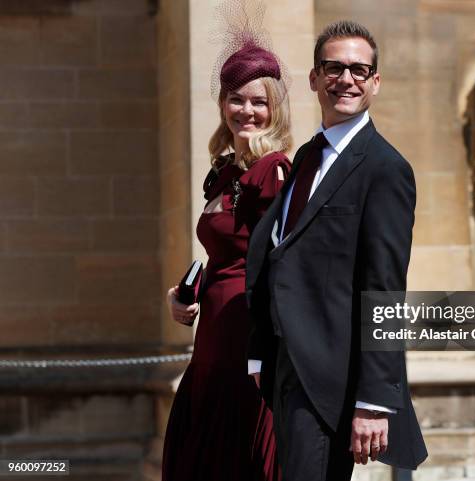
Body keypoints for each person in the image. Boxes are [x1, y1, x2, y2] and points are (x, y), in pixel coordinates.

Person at [246, 20, 427, 481]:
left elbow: (385, 290)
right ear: (314, 77)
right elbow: (280, 253)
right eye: (334, 68)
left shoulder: (386, 169)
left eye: (359, 71)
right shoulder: (308, 155)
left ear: (375, 82)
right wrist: (260, 353)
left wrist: (374, 401)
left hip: (335, 380)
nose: (346, 79)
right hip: (288, 367)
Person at [161, 9, 292, 480]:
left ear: (274, 106)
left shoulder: (272, 170)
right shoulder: (223, 171)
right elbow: (223, 252)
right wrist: (185, 294)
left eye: (259, 101)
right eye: (236, 100)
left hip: (245, 335)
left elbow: (276, 263)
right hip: (212, 334)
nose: (247, 111)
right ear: (222, 104)